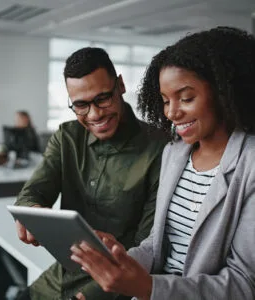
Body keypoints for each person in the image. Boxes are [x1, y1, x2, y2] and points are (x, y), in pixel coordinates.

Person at [70, 27, 255, 299]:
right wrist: (121, 259)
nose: (172, 112)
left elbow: (244, 284)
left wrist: (149, 287)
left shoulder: (249, 164)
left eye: (186, 98)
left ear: (223, 92)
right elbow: (157, 245)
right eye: (166, 100)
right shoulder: (174, 154)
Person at [14, 47, 167, 300]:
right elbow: (33, 191)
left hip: (111, 289)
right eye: (81, 105)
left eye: (103, 98)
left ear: (120, 85)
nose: (95, 114)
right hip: (59, 279)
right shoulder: (66, 137)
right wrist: (31, 209)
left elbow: (148, 246)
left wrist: (92, 294)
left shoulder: (159, 149)